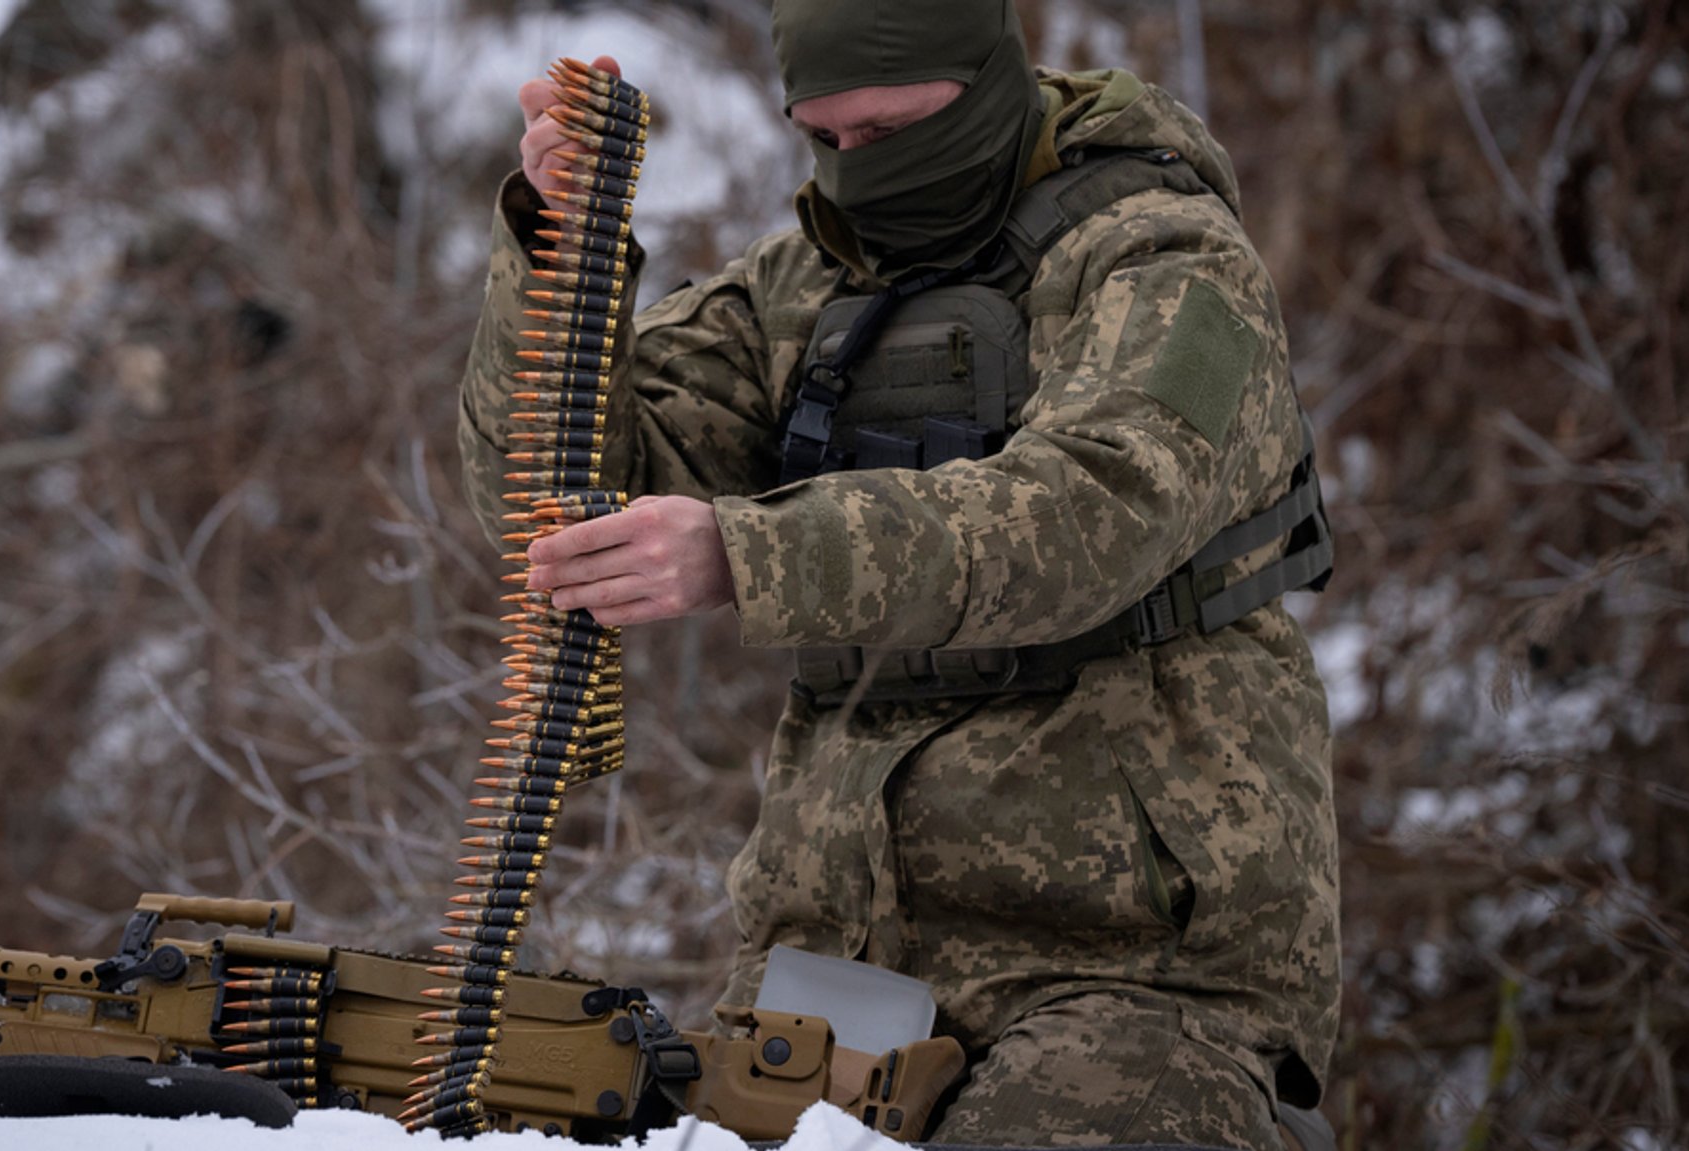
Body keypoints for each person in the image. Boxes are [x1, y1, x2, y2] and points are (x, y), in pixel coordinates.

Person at [455, 2, 1338, 1147]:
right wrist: (558, 262)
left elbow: (1094, 511)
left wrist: (747, 549)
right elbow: (555, 500)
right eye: (828, 139)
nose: (860, 170)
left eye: (890, 127)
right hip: (832, 953)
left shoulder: (1165, 257)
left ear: (984, 80)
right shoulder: (800, 287)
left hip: (1132, 968)